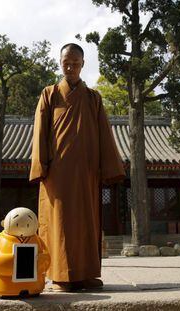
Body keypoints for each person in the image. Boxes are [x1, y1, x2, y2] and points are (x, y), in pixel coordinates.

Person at [29, 43, 125, 291]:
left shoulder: (93, 97)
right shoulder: (49, 94)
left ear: (83, 64)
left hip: (86, 172)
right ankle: (61, 276)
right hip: (58, 173)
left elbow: (104, 132)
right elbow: (40, 132)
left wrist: (107, 168)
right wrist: (41, 166)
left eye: (75, 63)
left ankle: (86, 274)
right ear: (60, 63)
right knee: (60, 223)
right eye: (66, 63)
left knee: (86, 222)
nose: (70, 67)